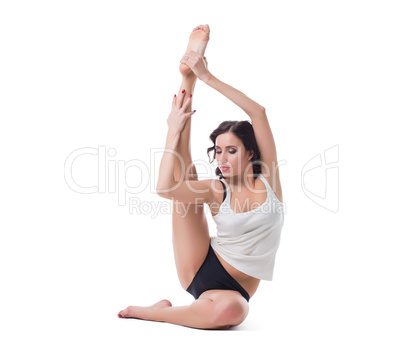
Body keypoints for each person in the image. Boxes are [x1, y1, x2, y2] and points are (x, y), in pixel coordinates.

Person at [117, 24, 285, 330]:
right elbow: (165, 188)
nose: (221, 158)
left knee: (234, 309)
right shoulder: (215, 189)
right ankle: (186, 76)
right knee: (186, 171)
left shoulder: (269, 181)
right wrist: (171, 133)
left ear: (250, 153)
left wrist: (208, 76)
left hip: (237, 289)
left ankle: (193, 74)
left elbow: (258, 113)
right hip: (198, 267)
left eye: (231, 150)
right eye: (218, 151)